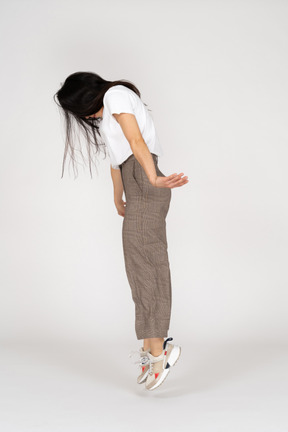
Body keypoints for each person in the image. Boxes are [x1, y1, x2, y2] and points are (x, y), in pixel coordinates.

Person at [54, 72, 189, 391]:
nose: (85, 117)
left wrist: (153, 179)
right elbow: (116, 162)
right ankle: (150, 348)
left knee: (149, 266)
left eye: (81, 110)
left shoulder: (115, 95)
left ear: (88, 99)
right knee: (138, 270)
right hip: (136, 183)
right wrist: (117, 197)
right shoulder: (107, 116)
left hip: (145, 181)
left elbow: (136, 142)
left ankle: (160, 353)